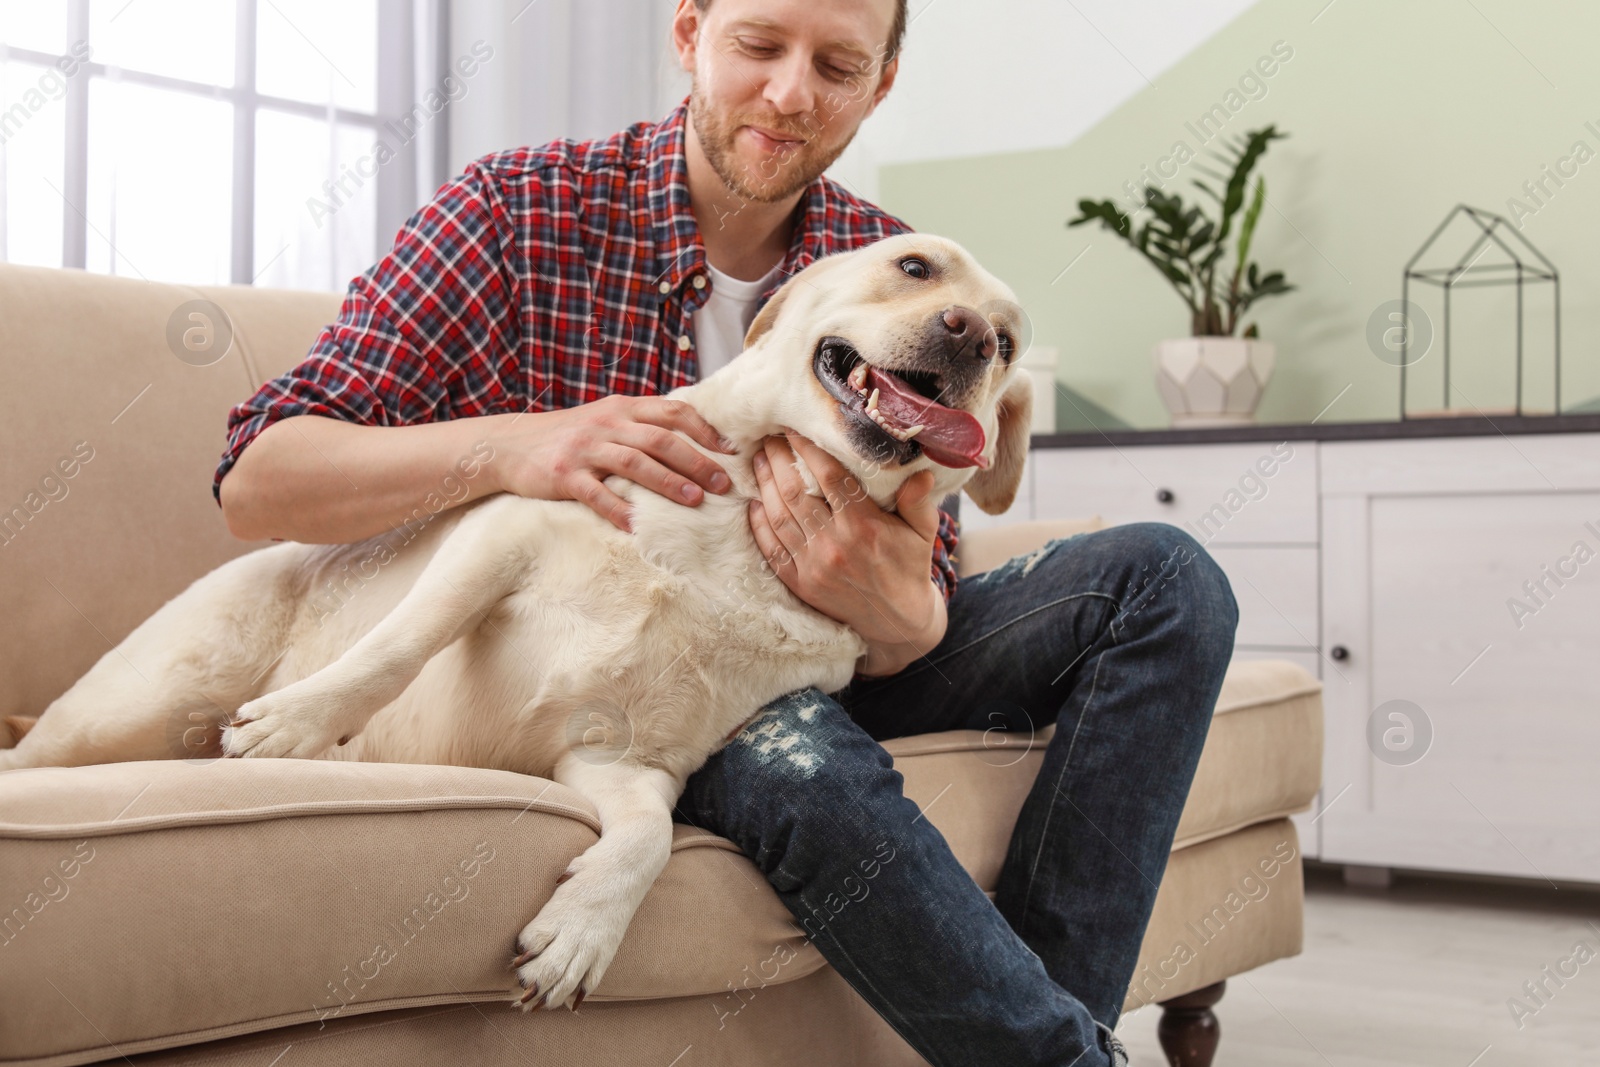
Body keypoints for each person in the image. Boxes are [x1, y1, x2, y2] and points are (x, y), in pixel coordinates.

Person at [215, 1, 1238, 1063]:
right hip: (655, 679)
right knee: (802, 756)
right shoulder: (515, 213)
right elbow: (262, 477)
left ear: (880, 84)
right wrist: (518, 447)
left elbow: (921, 579)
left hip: (833, 651)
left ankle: (1053, 1036)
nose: (792, 93)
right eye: (759, 45)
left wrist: (905, 616)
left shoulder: (886, 262)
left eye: (837, 63)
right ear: (689, 32)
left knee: (1168, 576)